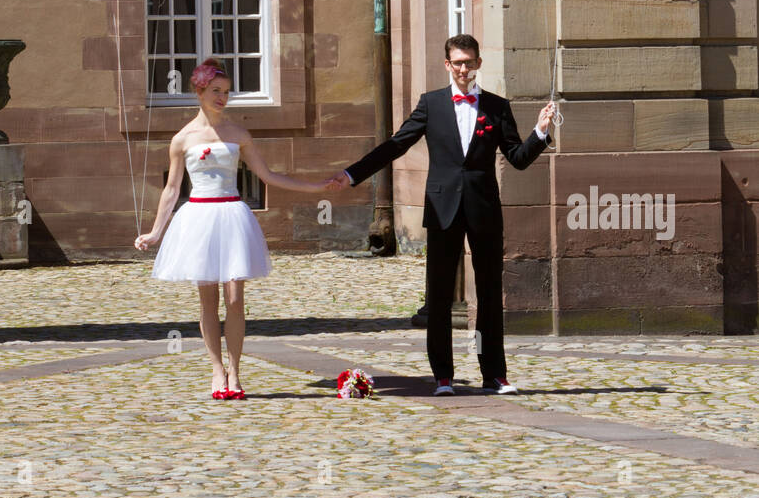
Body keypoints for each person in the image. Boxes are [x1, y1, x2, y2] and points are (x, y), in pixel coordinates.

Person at [327, 34, 555, 396]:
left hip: (483, 210)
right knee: (438, 297)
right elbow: (396, 144)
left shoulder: (497, 107)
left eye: (469, 62)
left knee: (490, 295)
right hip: (443, 209)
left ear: (479, 63)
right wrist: (353, 174)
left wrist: (539, 132)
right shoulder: (431, 104)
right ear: (447, 65)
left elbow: (517, 159)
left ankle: (493, 374)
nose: (464, 69)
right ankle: (443, 377)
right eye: (457, 63)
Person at [135, 57, 330, 401]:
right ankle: (216, 370)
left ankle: (236, 371)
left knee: (236, 299)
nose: (222, 98)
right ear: (199, 91)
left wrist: (316, 188)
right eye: (215, 91)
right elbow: (171, 189)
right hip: (198, 219)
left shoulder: (238, 134)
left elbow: (268, 176)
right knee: (207, 301)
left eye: (226, 92)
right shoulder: (182, 139)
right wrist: (155, 233)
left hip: (232, 215)